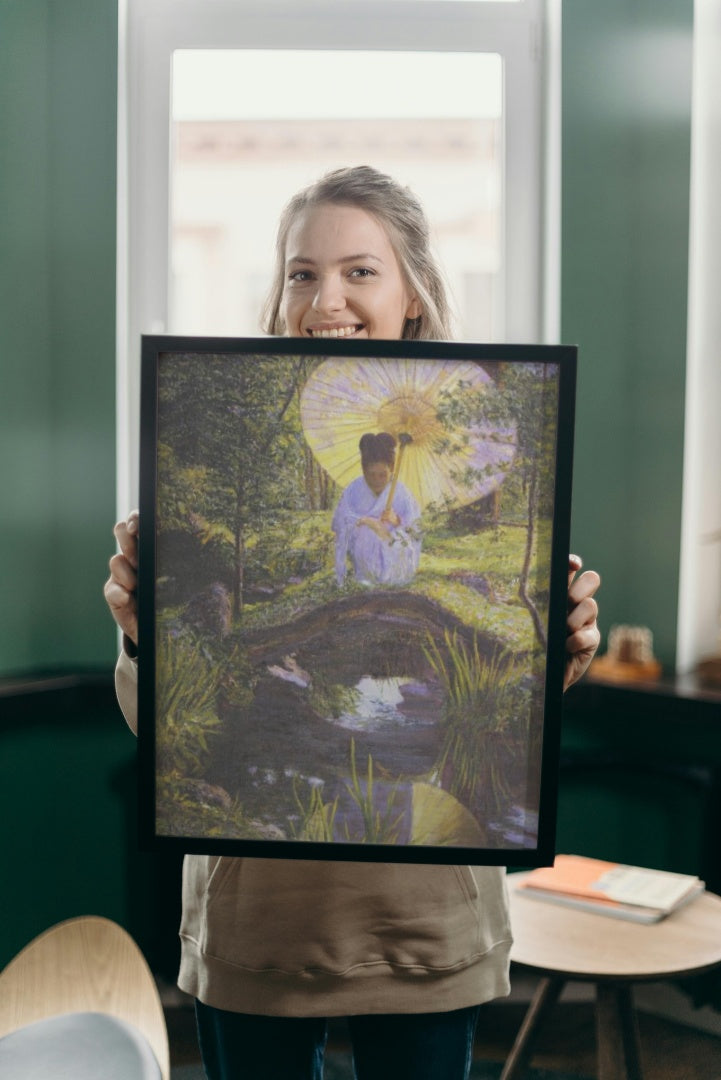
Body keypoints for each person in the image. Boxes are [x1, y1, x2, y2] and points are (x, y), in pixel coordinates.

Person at [105, 166, 601, 1080]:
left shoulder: (453, 446)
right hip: (259, 925)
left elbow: (508, 726)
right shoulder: (217, 435)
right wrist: (150, 637)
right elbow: (171, 732)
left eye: (359, 271)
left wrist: (556, 653)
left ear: (412, 292)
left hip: (422, 922)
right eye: (301, 273)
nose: (324, 298)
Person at [332, 431, 421, 587]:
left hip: (394, 556)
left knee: (395, 539)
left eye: (382, 475)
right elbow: (340, 523)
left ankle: (390, 578)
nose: (376, 480)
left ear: (392, 469)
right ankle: (367, 577)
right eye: (371, 474)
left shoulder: (401, 493)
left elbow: (414, 530)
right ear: (363, 470)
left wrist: (397, 521)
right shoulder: (353, 490)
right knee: (366, 532)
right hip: (363, 554)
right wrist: (367, 522)